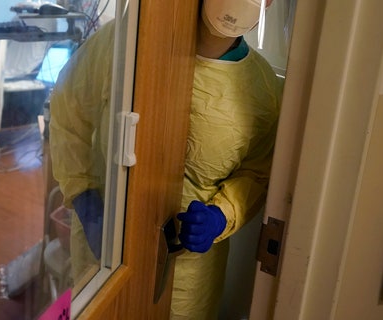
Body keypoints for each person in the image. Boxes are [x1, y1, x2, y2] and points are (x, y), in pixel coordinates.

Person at [49, 0, 281, 318]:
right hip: (103, 246)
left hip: (187, 276)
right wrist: (86, 197)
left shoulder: (262, 90)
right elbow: (67, 112)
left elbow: (257, 172)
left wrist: (221, 216)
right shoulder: (122, 42)